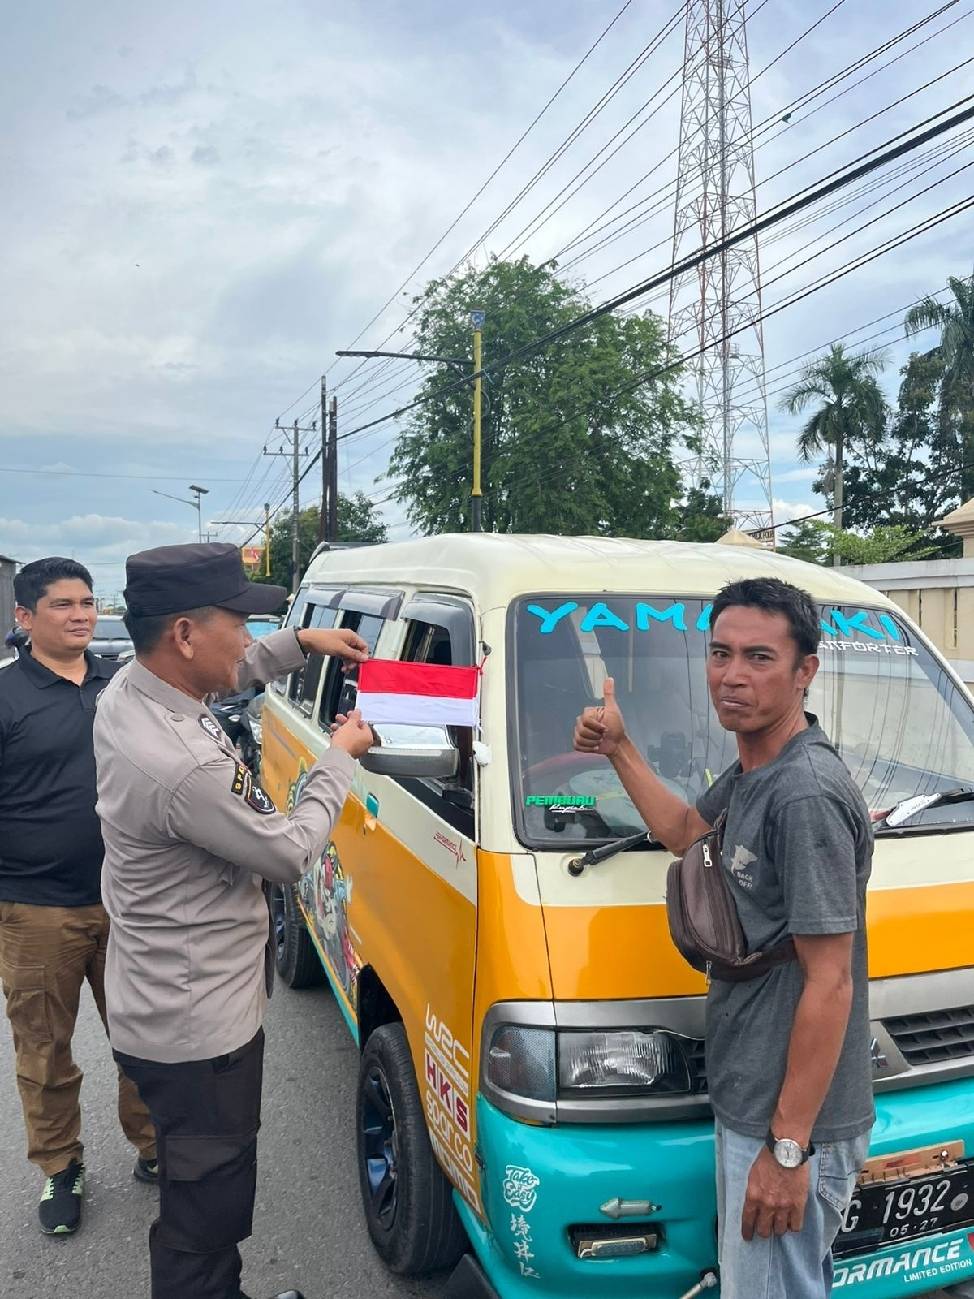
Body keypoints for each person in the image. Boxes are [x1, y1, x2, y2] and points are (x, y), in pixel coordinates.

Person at [573, 577, 874, 1299]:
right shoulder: (755, 772)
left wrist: (788, 1149)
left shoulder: (804, 793)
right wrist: (620, 748)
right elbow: (687, 833)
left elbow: (831, 981)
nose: (732, 675)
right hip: (755, 1096)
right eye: (720, 653)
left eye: (760, 657)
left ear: (804, 671)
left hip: (788, 1122)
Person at [94, 542, 375, 1299]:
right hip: (197, 1031)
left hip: (160, 998)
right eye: (240, 621)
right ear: (185, 633)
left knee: (204, 1185)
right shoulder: (182, 764)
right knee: (205, 1211)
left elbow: (230, 667)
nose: (250, 637)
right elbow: (287, 852)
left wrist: (300, 641)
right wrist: (340, 755)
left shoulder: (133, 686)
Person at [0, 557, 157, 1237]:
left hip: (129, 901)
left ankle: (155, 1144)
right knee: (44, 1048)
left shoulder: (122, 683)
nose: (81, 615)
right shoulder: (7, 696)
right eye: (62, 604)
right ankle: (60, 1164)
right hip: (37, 909)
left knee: (144, 1036)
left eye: (88, 602)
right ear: (25, 617)